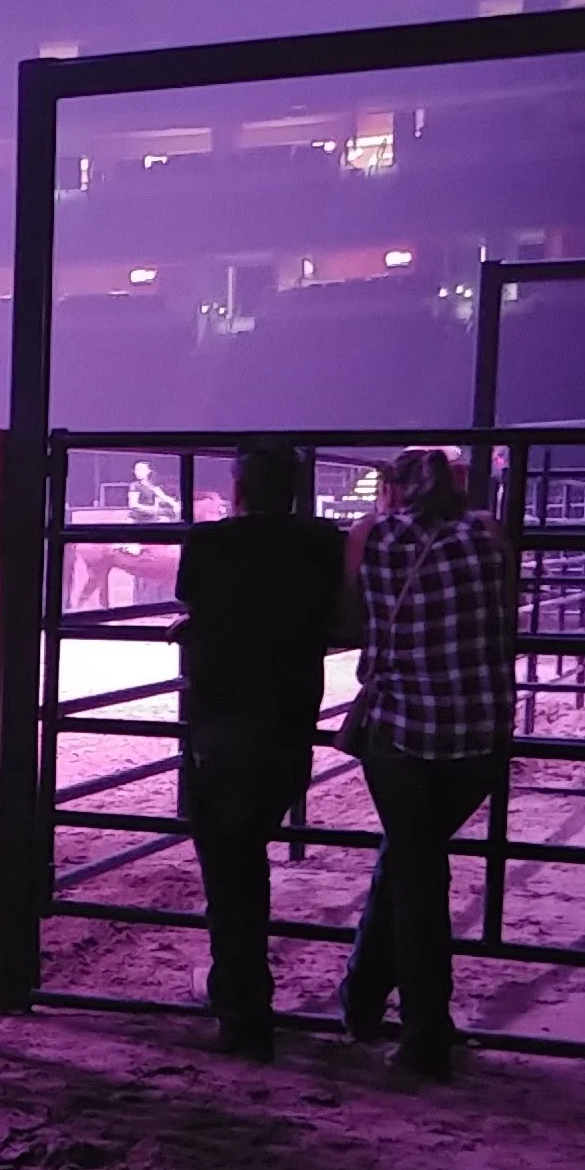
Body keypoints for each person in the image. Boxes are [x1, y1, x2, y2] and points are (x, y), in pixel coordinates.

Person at [337, 445, 513, 1082]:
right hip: (480, 733)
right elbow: (504, 612)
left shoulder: (370, 536)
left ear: (391, 490)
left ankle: (424, 1032)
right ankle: (360, 1000)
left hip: (402, 730)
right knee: (412, 856)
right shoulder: (488, 533)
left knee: (415, 873)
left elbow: (345, 619)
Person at [173, 444, 346, 1059]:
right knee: (250, 856)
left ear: (238, 488)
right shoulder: (324, 543)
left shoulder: (209, 543)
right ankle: (238, 993)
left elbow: (195, 605)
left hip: (221, 722)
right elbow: (338, 616)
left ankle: (242, 1009)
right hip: (288, 722)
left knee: (229, 869)